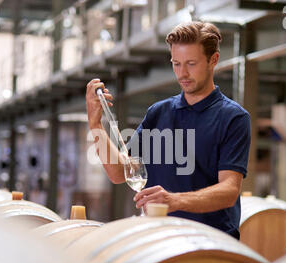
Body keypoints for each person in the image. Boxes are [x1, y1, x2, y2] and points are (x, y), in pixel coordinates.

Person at [85, 21, 251, 239]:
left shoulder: (233, 118)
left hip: (212, 244)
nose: (182, 73)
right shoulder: (158, 113)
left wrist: (174, 201)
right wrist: (96, 125)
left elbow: (229, 190)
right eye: (176, 63)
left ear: (214, 60)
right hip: (159, 241)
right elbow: (120, 172)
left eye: (191, 63)